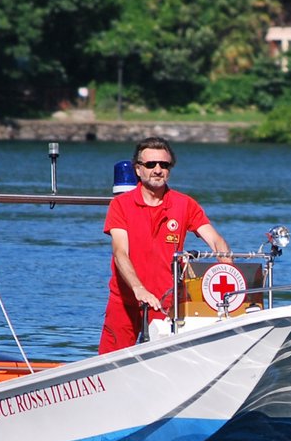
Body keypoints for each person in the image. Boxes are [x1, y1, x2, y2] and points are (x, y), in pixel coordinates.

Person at [98, 137, 230, 354]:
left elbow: (215, 240)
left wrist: (230, 272)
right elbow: (120, 252)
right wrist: (138, 288)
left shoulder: (185, 204)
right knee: (109, 363)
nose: (157, 170)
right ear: (138, 170)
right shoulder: (120, 205)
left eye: (164, 165)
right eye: (150, 165)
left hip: (165, 304)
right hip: (126, 301)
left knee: (165, 362)